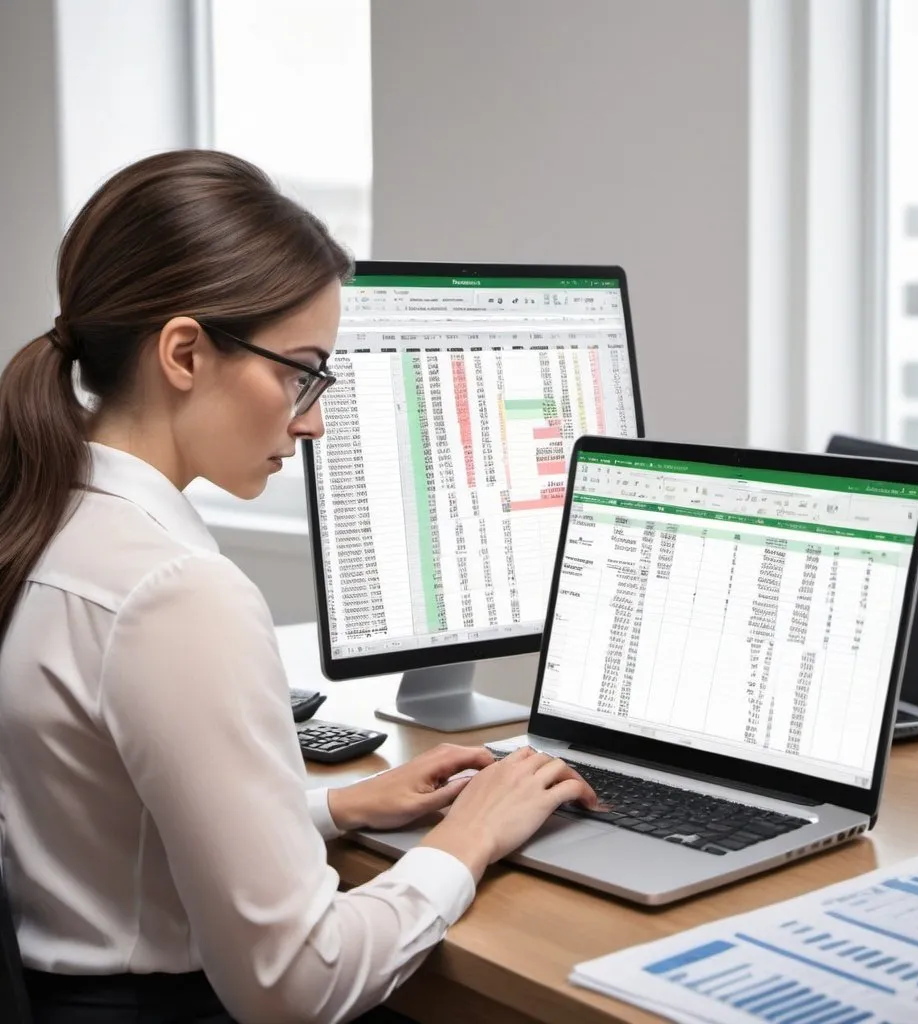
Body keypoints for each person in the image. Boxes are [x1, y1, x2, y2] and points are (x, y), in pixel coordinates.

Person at [0, 150, 598, 1024]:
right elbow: (296, 985)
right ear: (183, 353)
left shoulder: (47, 512)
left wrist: (333, 807)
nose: (313, 419)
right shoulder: (176, 591)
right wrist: (469, 842)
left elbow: (109, 829)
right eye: (300, 372)